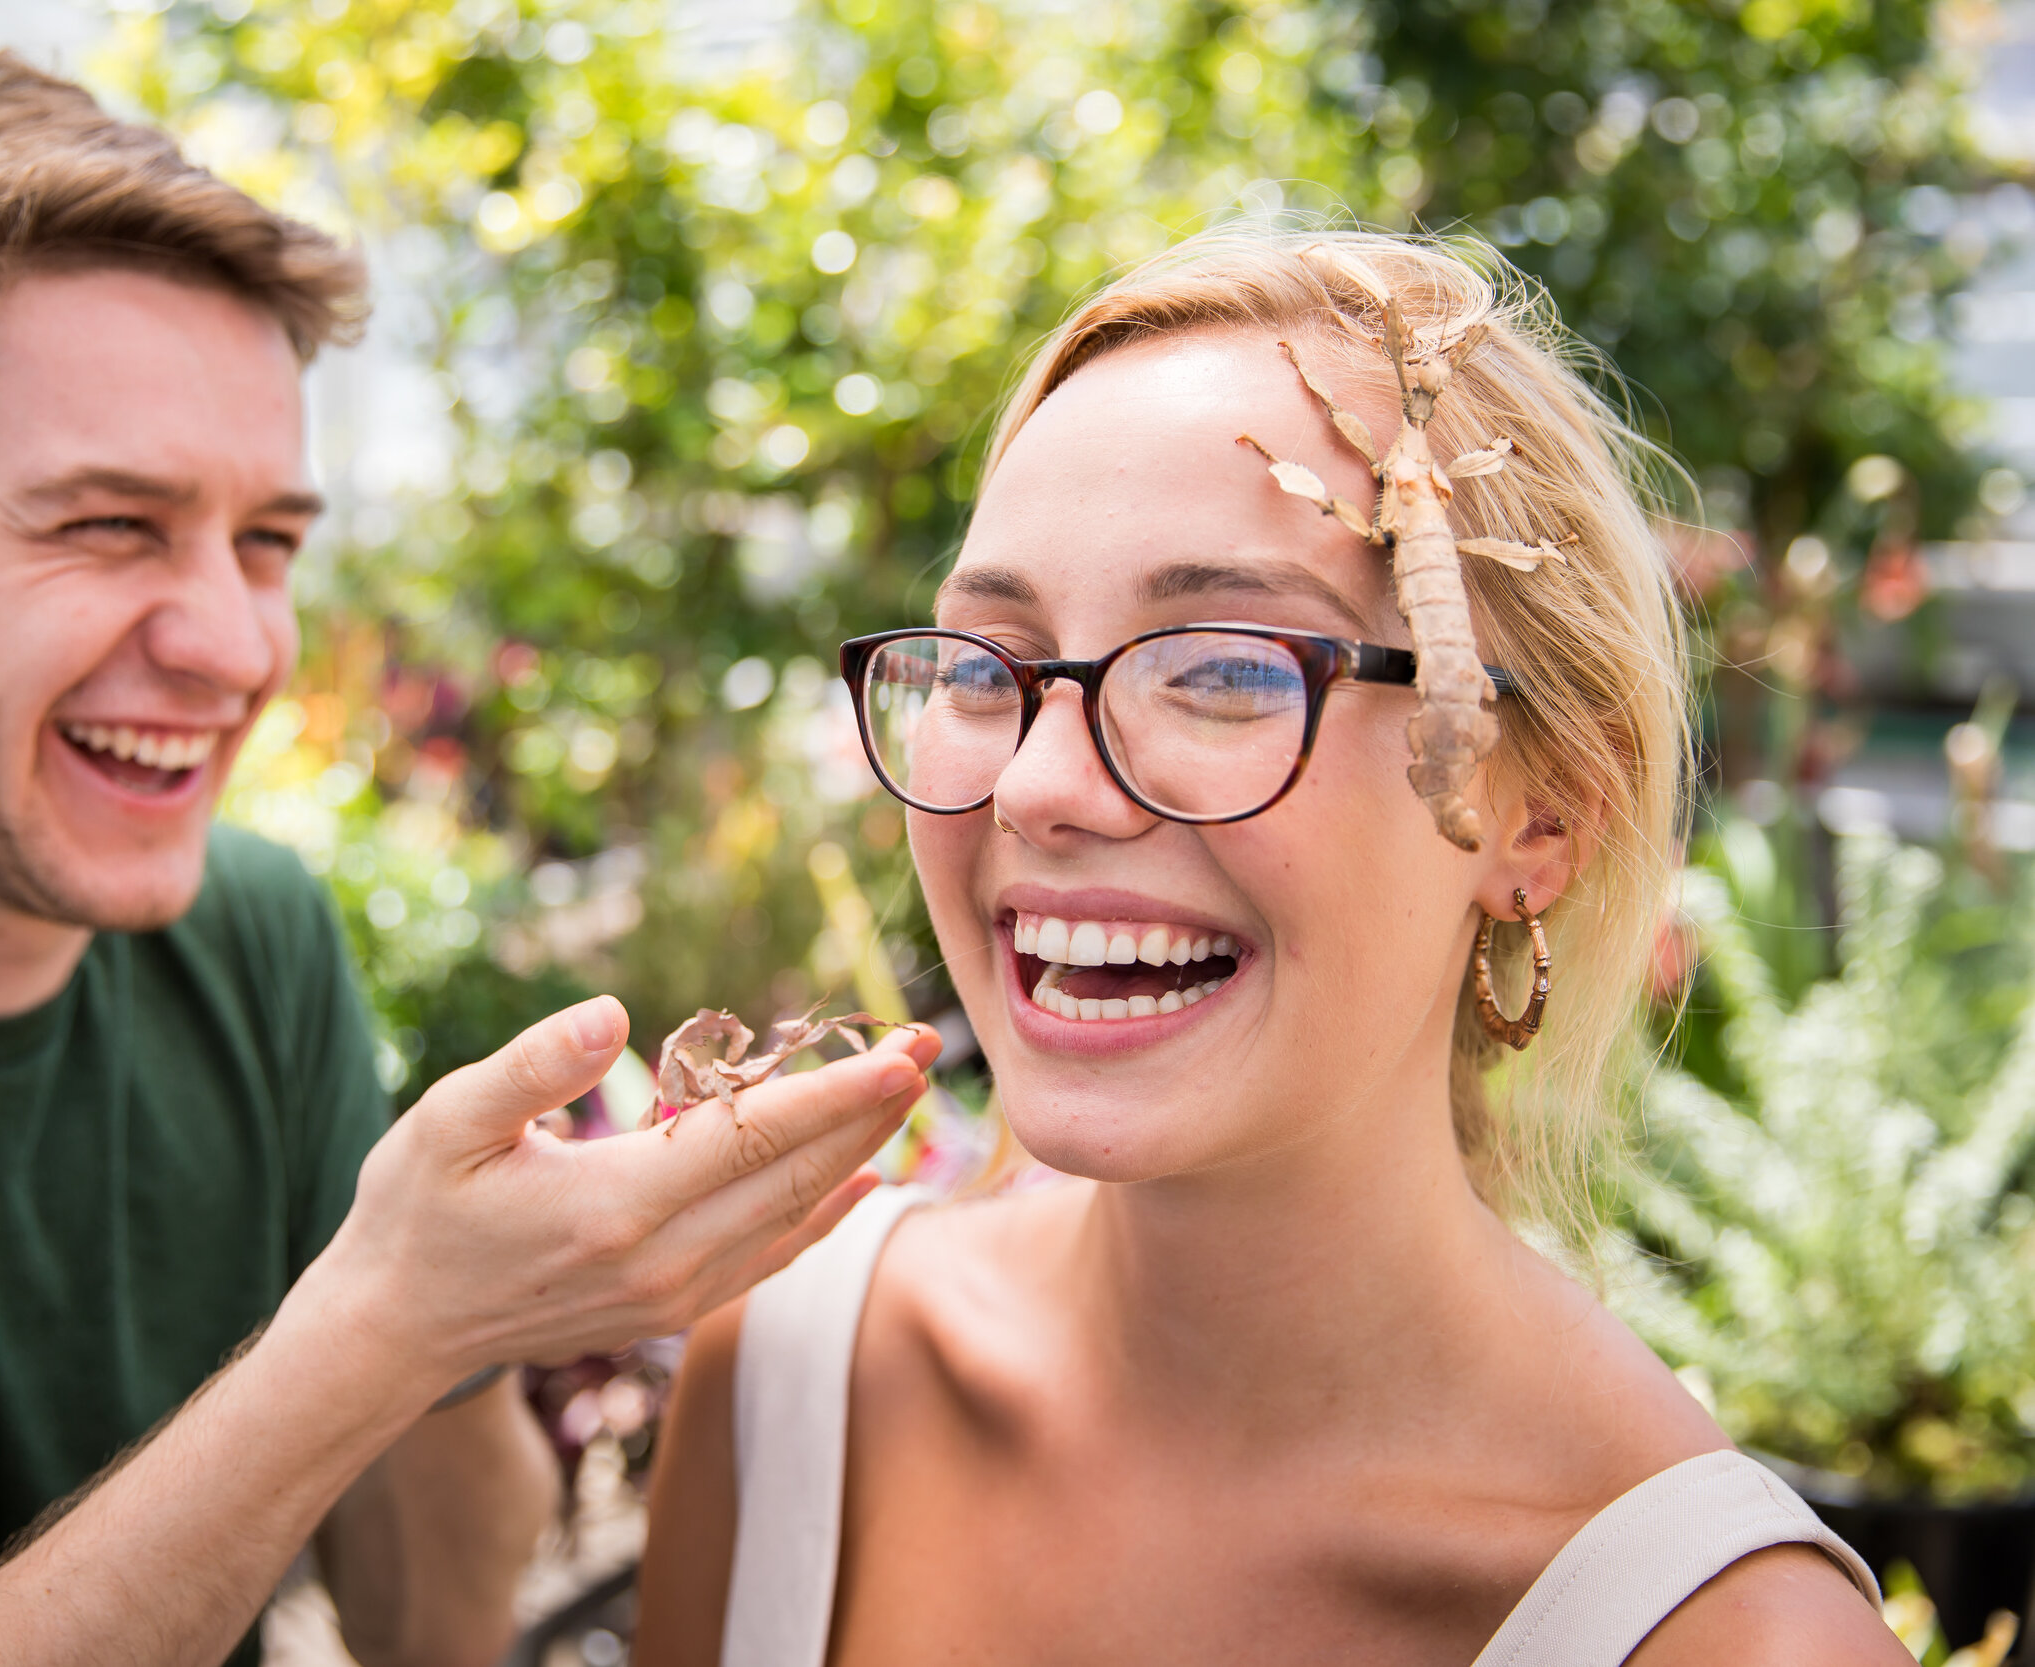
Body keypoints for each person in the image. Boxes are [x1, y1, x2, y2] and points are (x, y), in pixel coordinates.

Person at [0, 52, 936, 1667]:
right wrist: (378, 1327)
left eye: (267, 540)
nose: (235, 644)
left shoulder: (250, 936)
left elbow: (434, 1630)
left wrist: (474, 1323)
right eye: (108, 524)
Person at [632, 228, 1907, 1665]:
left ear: (1539, 817)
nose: (1043, 787)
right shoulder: (797, 1375)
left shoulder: (1731, 1642)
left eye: (1228, 669)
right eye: (991, 658)